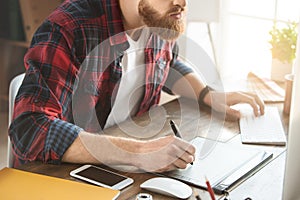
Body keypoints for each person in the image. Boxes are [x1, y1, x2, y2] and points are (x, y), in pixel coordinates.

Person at [9, 0, 264, 171]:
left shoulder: (157, 20)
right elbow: (30, 128)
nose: (183, 2)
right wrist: (138, 152)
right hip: (59, 175)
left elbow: (170, 64)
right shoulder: (69, 28)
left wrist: (208, 95)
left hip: (121, 170)